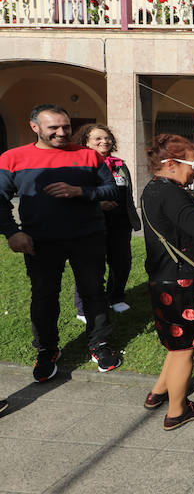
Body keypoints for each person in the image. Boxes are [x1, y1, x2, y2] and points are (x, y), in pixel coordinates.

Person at [0, 104, 122, 381]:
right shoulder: (12, 158)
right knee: (44, 295)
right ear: (35, 127)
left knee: (94, 292)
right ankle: (46, 349)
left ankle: (99, 344)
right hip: (40, 241)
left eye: (65, 127)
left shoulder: (88, 155)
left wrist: (80, 191)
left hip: (87, 237)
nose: (61, 132)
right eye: (53, 128)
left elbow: (112, 189)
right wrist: (11, 232)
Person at [140, 134, 194, 430]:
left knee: (175, 343)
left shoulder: (153, 188)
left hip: (163, 277)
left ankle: (159, 392)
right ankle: (177, 410)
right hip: (181, 282)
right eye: (193, 163)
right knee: (184, 349)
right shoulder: (171, 193)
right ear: (170, 164)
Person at [71, 124, 141, 321]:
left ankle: (116, 297)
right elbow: (74, 195)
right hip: (91, 222)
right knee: (91, 265)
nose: (104, 141)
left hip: (120, 222)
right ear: (85, 142)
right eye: (98, 139)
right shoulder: (79, 165)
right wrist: (97, 204)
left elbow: (128, 194)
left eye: (108, 138)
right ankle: (84, 308)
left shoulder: (120, 164)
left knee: (122, 262)